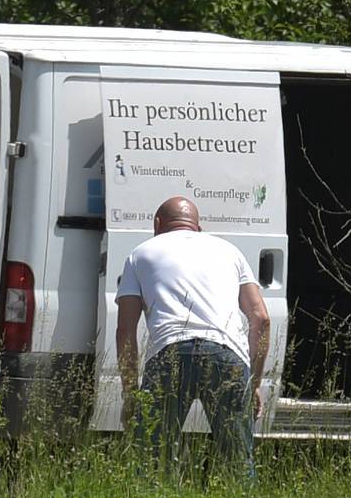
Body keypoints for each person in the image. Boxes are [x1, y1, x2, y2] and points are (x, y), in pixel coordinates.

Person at [115, 196, 270, 478]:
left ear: (157, 224)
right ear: (198, 227)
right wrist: (254, 383)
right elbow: (261, 318)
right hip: (227, 356)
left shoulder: (139, 254)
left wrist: (129, 392)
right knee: (238, 461)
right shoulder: (229, 251)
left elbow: (125, 330)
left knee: (152, 459)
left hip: (169, 353)